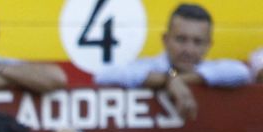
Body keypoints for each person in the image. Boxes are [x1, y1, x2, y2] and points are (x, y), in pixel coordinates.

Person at [95, 4, 250, 122]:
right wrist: (168, 78)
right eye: (181, 39)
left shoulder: (210, 68)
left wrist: (176, 79)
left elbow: (241, 72)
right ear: (165, 39)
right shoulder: (149, 66)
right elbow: (103, 76)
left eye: (197, 42)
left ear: (208, 45)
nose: (188, 49)